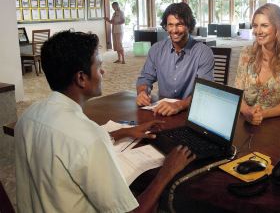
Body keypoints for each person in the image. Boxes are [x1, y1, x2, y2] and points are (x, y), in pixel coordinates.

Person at [15, 30, 195, 213]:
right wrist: (166, 173)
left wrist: (125, 132)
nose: (103, 71)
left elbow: (68, 145)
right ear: (81, 78)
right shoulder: (88, 138)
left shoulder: (28, 116)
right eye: (99, 65)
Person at [136, 2, 214, 116]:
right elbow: (145, 78)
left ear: (189, 25)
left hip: (191, 112)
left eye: (180, 24)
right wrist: (142, 92)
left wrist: (179, 105)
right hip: (162, 111)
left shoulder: (203, 52)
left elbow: (205, 91)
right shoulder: (156, 49)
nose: (174, 30)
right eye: (170, 25)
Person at [235, 3, 280, 125]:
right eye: (255, 26)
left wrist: (261, 114)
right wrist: (248, 112)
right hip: (247, 120)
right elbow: (238, 95)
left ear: (279, 27)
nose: (258, 31)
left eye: (264, 25)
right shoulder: (246, 53)